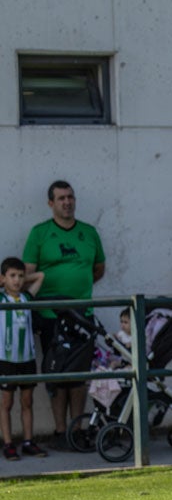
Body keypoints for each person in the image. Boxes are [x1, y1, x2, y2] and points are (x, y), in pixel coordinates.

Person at [23, 180, 105, 447]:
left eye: (70, 197)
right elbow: (27, 273)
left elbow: (98, 269)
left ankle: (77, 429)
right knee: (57, 374)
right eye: (61, 198)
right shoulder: (40, 233)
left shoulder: (89, 233)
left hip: (83, 314)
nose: (67, 202)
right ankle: (60, 432)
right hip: (50, 316)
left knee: (79, 375)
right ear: (51, 203)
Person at [0, 258, 45, 461]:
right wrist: (3, 283)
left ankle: (28, 441)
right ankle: (8, 443)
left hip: (27, 358)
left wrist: (25, 278)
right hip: (6, 359)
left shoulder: (27, 297)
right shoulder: (1, 299)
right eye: (12, 276)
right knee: (6, 403)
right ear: (3, 278)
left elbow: (40, 276)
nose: (17, 280)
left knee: (27, 401)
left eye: (20, 276)